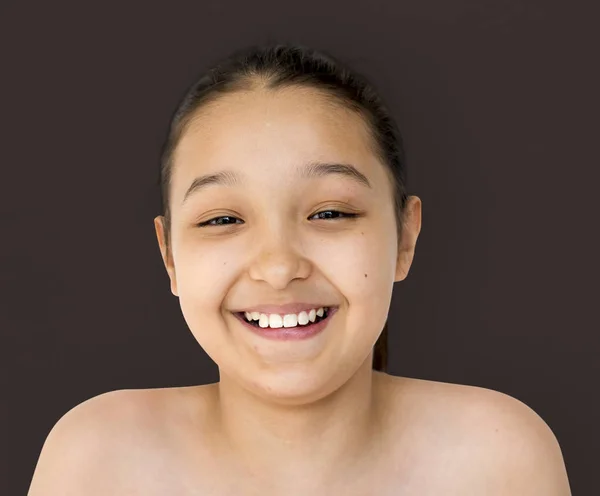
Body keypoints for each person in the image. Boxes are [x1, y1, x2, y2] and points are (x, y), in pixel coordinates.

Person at [28, 42, 571, 495]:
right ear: (169, 256)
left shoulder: (498, 460)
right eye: (222, 219)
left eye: (330, 212)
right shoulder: (97, 462)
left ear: (405, 237)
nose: (279, 266)